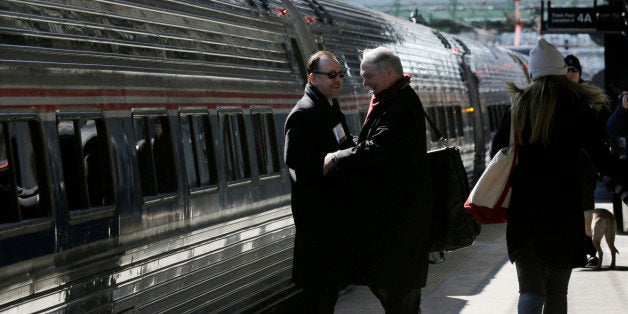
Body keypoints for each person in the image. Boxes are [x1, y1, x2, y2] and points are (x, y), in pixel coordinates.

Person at [498, 38, 628, 313]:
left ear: (532, 73)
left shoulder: (517, 107)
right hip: (564, 212)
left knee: (530, 292)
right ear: (560, 72)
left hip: (524, 214)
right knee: (557, 292)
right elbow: (603, 159)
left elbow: (497, 156)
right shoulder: (579, 107)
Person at [324, 47, 432, 313]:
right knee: (393, 289)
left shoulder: (402, 104)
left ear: (389, 72)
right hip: (394, 220)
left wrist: (338, 157)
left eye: (368, 76)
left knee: (399, 292)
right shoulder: (392, 99)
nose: (364, 82)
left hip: (401, 221)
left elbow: (377, 147)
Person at [283, 50, 354, 313]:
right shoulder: (304, 113)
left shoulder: (329, 107)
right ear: (313, 78)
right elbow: (295, 162)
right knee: (320, 298)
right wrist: (331, 161)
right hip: (316, 227)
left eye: (340, 75)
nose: (338, 80)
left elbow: (344, 145)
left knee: (328, 296)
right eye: (332, 75)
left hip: (331, 225)